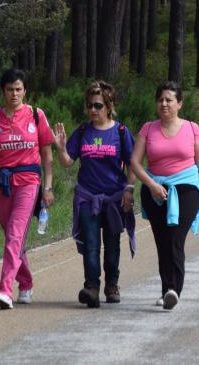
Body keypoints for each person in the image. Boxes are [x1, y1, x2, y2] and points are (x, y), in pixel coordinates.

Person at [129, 81, 199, 310]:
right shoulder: (148, 129)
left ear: (179, 104)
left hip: (186, 189)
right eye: (160, 100)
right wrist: (151, 185)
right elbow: (135, 163)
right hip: (155, 189)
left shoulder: (192, 128)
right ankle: (166, 288)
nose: (164, 104)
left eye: (169, 100)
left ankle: (174, 289)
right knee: (162, 241)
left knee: (175, 238)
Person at [52, 81, 137, 308]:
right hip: (88, 198)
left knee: (112, 245)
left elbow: (133, 164)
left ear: (109, 106)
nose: (93, 110)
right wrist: (61, 148)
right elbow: (68, 162)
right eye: (89, 105)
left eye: (98, 105)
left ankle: (112, 285)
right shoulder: (82, 131)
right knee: (91, 245)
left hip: (113, 200)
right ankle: (91, 287)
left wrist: (129, 190)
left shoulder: (121, 132)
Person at [0, 68, 54, 310]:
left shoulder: (36, 115)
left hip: (29, 181)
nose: (14, 94)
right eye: (10, 89)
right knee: (14, 237)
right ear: (3, 91)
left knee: (15, 233)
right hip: (1, 183)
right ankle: (27, 282)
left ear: (25, 91)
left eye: (18, 89)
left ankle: (5, 290)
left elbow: (46, 153)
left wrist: (48, 187)